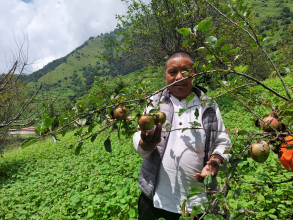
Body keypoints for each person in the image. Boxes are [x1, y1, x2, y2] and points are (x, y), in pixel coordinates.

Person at [133, 51, 231, 220]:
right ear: (165, 75)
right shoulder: (154, 103)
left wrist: (214, 161)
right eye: (173, 72)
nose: (179, 76)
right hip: (156, 199)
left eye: (186, 71)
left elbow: (222, 141)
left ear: (195, 73)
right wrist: (147, 143)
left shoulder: (208, 105)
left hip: (198, 201)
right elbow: (140, 143)